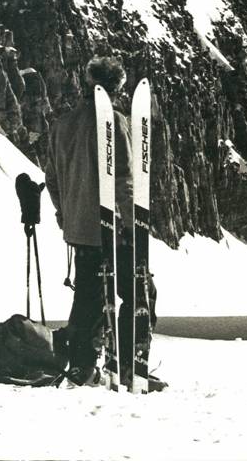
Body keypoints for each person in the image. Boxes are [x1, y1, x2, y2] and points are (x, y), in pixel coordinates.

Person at [44, 56, 163, 390]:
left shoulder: (62, 125)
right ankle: (129, 365)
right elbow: (123, 178)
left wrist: (65, 214)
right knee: (139, 294)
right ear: (118, 86)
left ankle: (82, 366)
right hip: (115, 232)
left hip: (80, 231)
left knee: (89, 298)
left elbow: (52, 178)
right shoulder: (115, 122)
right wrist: (132, 226)